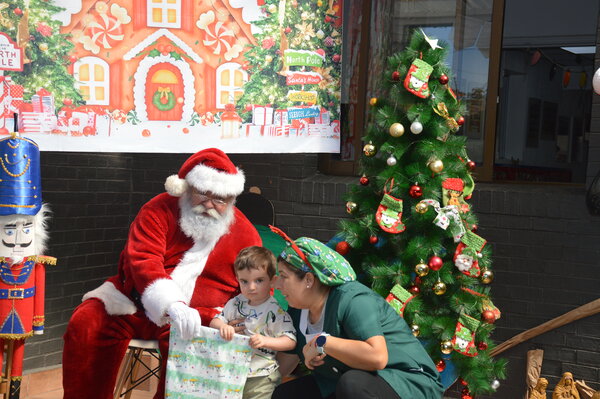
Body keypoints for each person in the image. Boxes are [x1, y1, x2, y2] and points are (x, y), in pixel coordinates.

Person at [62, 148, 261, 399]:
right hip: (132, 301)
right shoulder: (158, 209)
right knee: (87, 322)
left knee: (196, 350)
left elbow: (258, 282)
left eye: (220, 199)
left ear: (231, 200)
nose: (210, 204)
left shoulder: (245, 232)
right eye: (203, 193)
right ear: (187, 187)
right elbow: (143, 259)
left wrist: (238, 317)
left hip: (199, 316)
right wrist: (171, 304)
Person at [270, 228, 444, 399]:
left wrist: (322, 341)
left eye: (284, 276)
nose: (277, 285)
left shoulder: (354, 300)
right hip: (342, 382)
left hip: (405, 381)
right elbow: (279, 368)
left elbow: (377, 357)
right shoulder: (297, 311)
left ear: (308, 279)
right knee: (285, 394)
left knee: (352, 384)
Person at [210, 246, 296, 399]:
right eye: (244, 281)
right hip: (231, 373)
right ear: (238, 280)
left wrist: (265, 341)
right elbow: (215, 321)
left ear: (272, 281)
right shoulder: (236, 303)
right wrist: (222, 326)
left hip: (261, 377)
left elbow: (290, 341)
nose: (251, 287)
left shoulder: (274, 311)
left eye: (259, 280)